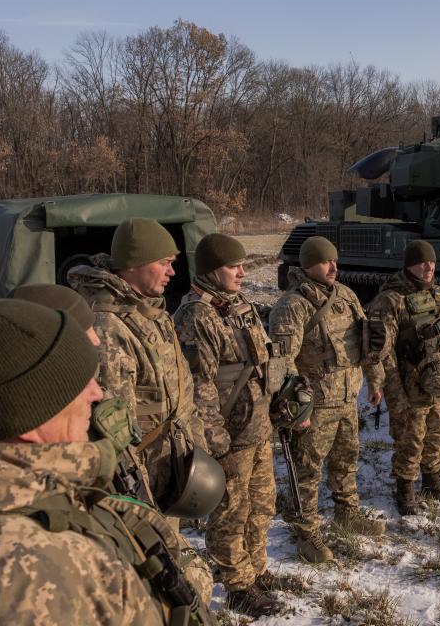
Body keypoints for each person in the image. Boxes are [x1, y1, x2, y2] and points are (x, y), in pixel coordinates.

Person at [0, 299, 217, 625]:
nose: (96, 395)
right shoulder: (33, 569)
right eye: (80, 384)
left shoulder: (49, 492)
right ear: (32, 411)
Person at [174, 233, 289, 616]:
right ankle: (237, 584)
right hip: (229, 435)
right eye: (233, 266)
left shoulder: (240, 306)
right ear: (210, 270)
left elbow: (262, 361)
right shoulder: (196, 315)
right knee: (231, 512)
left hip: (257, 427)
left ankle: (255, 569)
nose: (243, 272)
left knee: (261, 505)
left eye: (242, 265)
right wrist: (215, 440)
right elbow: (198, 384)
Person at [68, 218, 208, 508]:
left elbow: (181, 387)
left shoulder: (151, 313)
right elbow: (115, 430)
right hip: (141, 481)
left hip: (168, 466)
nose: (172, 272)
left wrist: (196, 449)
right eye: (164, 263)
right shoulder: (109, 325)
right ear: (133, 264)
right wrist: (138, 502)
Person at [268, 236, 386, 563]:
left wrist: (374, 380)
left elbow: (366, 342)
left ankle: (347, 512)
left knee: (346, 459)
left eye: (334, 260)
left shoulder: (346, 296)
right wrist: (297, 408)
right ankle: (305, 530)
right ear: (307, 265)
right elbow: (282, 362)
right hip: (315, 406)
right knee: (306, 469)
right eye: (324, 261)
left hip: (348, 398)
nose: (333, 267)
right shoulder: (292, 306)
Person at [365, 240, 440, 515]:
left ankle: (433, 481)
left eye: (432, 262)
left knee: (437, 431)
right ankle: (405, 488)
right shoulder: (390, 300)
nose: (429, 267)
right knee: (411, 437)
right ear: (409, 264)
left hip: (438, 381)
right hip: (409, 383)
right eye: (422, 262)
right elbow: (382, 352)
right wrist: (394, 391)